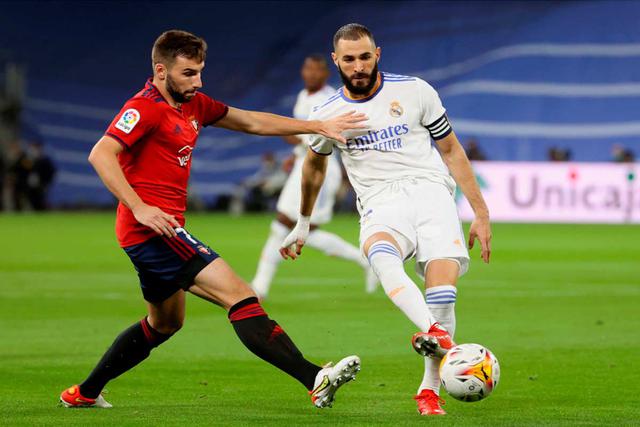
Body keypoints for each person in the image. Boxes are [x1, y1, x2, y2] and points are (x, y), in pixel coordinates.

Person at [59, 30, 366, 410]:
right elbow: (101, 154)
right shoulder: (144, 108)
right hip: (154, 230)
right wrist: (139, 206)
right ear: (160, 70)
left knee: (164, 324)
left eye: (200, 71)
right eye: (188, 73)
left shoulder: (194, 105)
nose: (198, 81)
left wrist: (316, 127)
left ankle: (85, 393)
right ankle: (313, 377)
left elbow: (252, 122)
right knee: (241, 296)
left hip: (156, 232)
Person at [280, 23, 492, 416]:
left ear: (377, 54)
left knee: (443, 295)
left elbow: (451, 149)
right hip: (380, 199)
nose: (358, 66)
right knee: (381, 256)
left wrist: (480, 212)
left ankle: (429, 390)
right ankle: (437, 335)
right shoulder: (326, 112)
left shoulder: (415, 91)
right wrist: (304, 220)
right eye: (349, 59)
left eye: (364, 56)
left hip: (432, 192)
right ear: (336, 61)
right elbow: (312, 168)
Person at [251, 54, 376, 299]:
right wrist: (295, 150)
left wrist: (289, 134)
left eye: (316, 70)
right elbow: (302, 136)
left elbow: (321, 135)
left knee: (293, 225)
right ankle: (259, 286)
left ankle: (260, 286)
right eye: (307, 68)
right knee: (287, 225)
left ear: (325, 74)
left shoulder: (328, 99)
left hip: (321, 166)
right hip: (302, 162)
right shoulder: (303, 96)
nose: (311, 74)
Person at [26, 141, 56, 210]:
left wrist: (46, 182)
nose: (33, 150)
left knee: (41, 201)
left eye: (35, 148)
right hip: (30, 186)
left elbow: (51, 172)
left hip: (41, 185)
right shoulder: (29, 159)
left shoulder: (45, 160)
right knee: (32, 200)